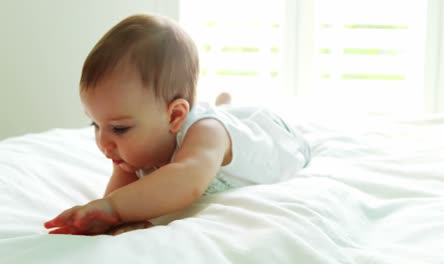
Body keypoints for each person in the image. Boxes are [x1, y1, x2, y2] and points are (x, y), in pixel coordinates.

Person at [44, 14, 310, 236]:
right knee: (217, 111)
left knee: (220, 119)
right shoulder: (134, 153)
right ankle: (222, 104)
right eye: (95, 124)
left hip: (274, 138)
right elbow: (123, 197)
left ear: (173, 117)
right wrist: (107, 219)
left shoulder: (206, 136)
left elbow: (186, 180)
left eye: (119, 128)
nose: (103, 141)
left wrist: (114, 209)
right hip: (196, 120)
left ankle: (224, 107)